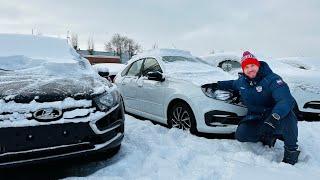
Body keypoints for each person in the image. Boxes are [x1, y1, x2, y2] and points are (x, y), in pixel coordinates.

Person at [212, 51, 300, 165]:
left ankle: (291, 152)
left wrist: (274, 117)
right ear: (243, 70)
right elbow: (232, 83)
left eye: (252, 65)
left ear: (258, 65)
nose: (250, 69)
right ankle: (267, 136)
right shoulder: (242, 81)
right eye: (246, 67)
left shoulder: (273, 79)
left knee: (288, 115)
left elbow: (285, 100)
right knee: (241, 135)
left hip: (272, 115)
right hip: (255, 117)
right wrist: (217, 84)